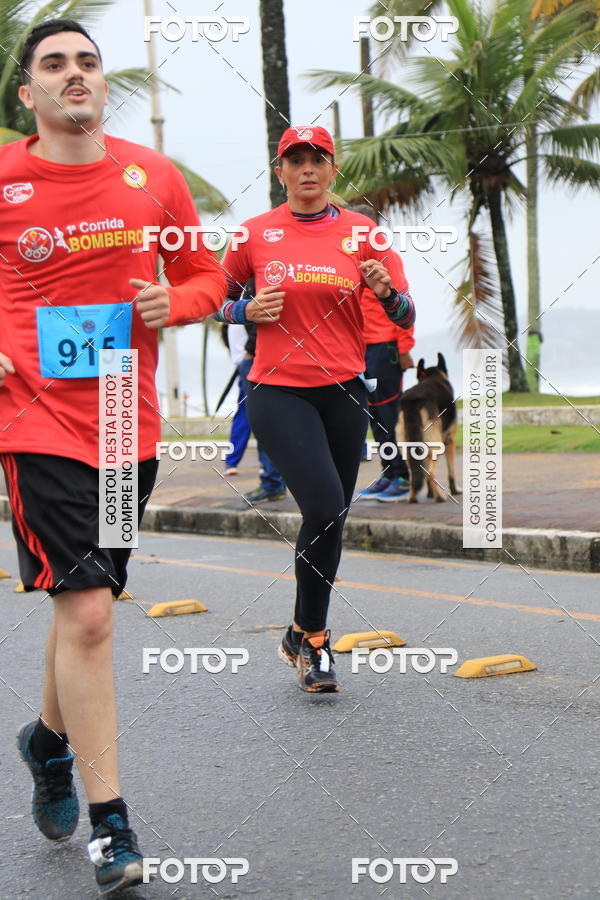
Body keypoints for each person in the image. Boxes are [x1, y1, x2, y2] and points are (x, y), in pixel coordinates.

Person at [0, 19, 226, 895]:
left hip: (130, 426)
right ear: (28, 92)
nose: (75, 74)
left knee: (84, 610)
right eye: (55, 64)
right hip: (35, 421)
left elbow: (208, 276)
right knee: (90, 614)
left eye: (88, 62)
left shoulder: (153, 177)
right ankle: (113, 824)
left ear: (102, 83)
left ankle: (47, 743)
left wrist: (182, 302)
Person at [215, 125, 415, 692]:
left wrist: (385, 293)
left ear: (332, 170)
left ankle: (301, 632)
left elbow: (404, 312)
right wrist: (245, 312)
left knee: (333, 516)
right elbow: (215, 299)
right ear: (280, 172)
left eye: (317, 159)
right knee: (324, 504)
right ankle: (320, 643)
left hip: (344, 391)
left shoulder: (363, 233)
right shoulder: (254, 234)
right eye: (295, 160)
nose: (307, 169)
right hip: (278, 389)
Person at [351, 206, 416, 501]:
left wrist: (404, 349)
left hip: (384, 348)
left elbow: (404, 305)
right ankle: (389, 472)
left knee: (389, 413)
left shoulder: (387, 258)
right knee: (373, 414)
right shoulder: (350, 261)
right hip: (360, 350)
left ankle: (403, 477)